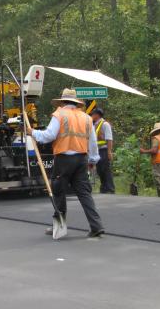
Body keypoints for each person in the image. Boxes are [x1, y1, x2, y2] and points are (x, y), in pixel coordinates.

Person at [26, 88, 104, 238]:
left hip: (64, 159)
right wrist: (93, 160)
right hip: (82, 159)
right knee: (84, 193)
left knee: (59, 191)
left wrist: (33, 132)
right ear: (76, 103)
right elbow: (93, 142)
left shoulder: (59, 114)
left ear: (62, 102)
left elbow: (49, 136)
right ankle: (96, 226)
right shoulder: (86, 118)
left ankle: (59, 225)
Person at [91, 108, 115, 193]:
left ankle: (110, 189)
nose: (91, 116)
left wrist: (109, 152)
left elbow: (109, 139)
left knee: (106, 169)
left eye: (93, 114)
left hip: (104, 150)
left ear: (97, 115)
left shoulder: (105, 124)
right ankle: (104, 188)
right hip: (97, 151)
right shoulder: (94, 125)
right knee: (100, 170)